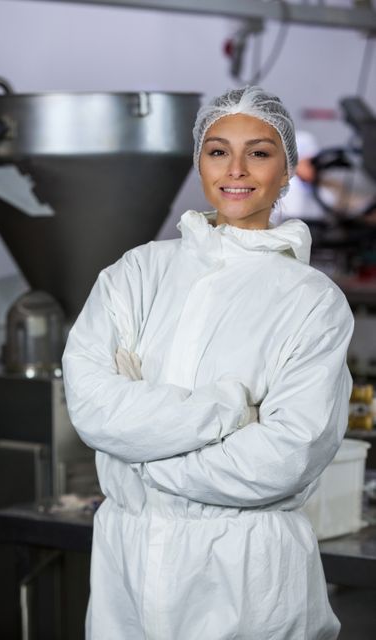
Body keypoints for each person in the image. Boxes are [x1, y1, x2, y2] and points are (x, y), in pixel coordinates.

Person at [62, 86, 354, 640]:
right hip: (127, 567)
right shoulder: (137, 272)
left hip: (247, 576)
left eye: (260, 152)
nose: (236, 169)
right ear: (199, 162)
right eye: (218, 151)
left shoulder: (311, 301)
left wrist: (142, 458)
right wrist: (229, 413)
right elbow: (93, 406)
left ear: (288, 168)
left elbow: (285, 457)